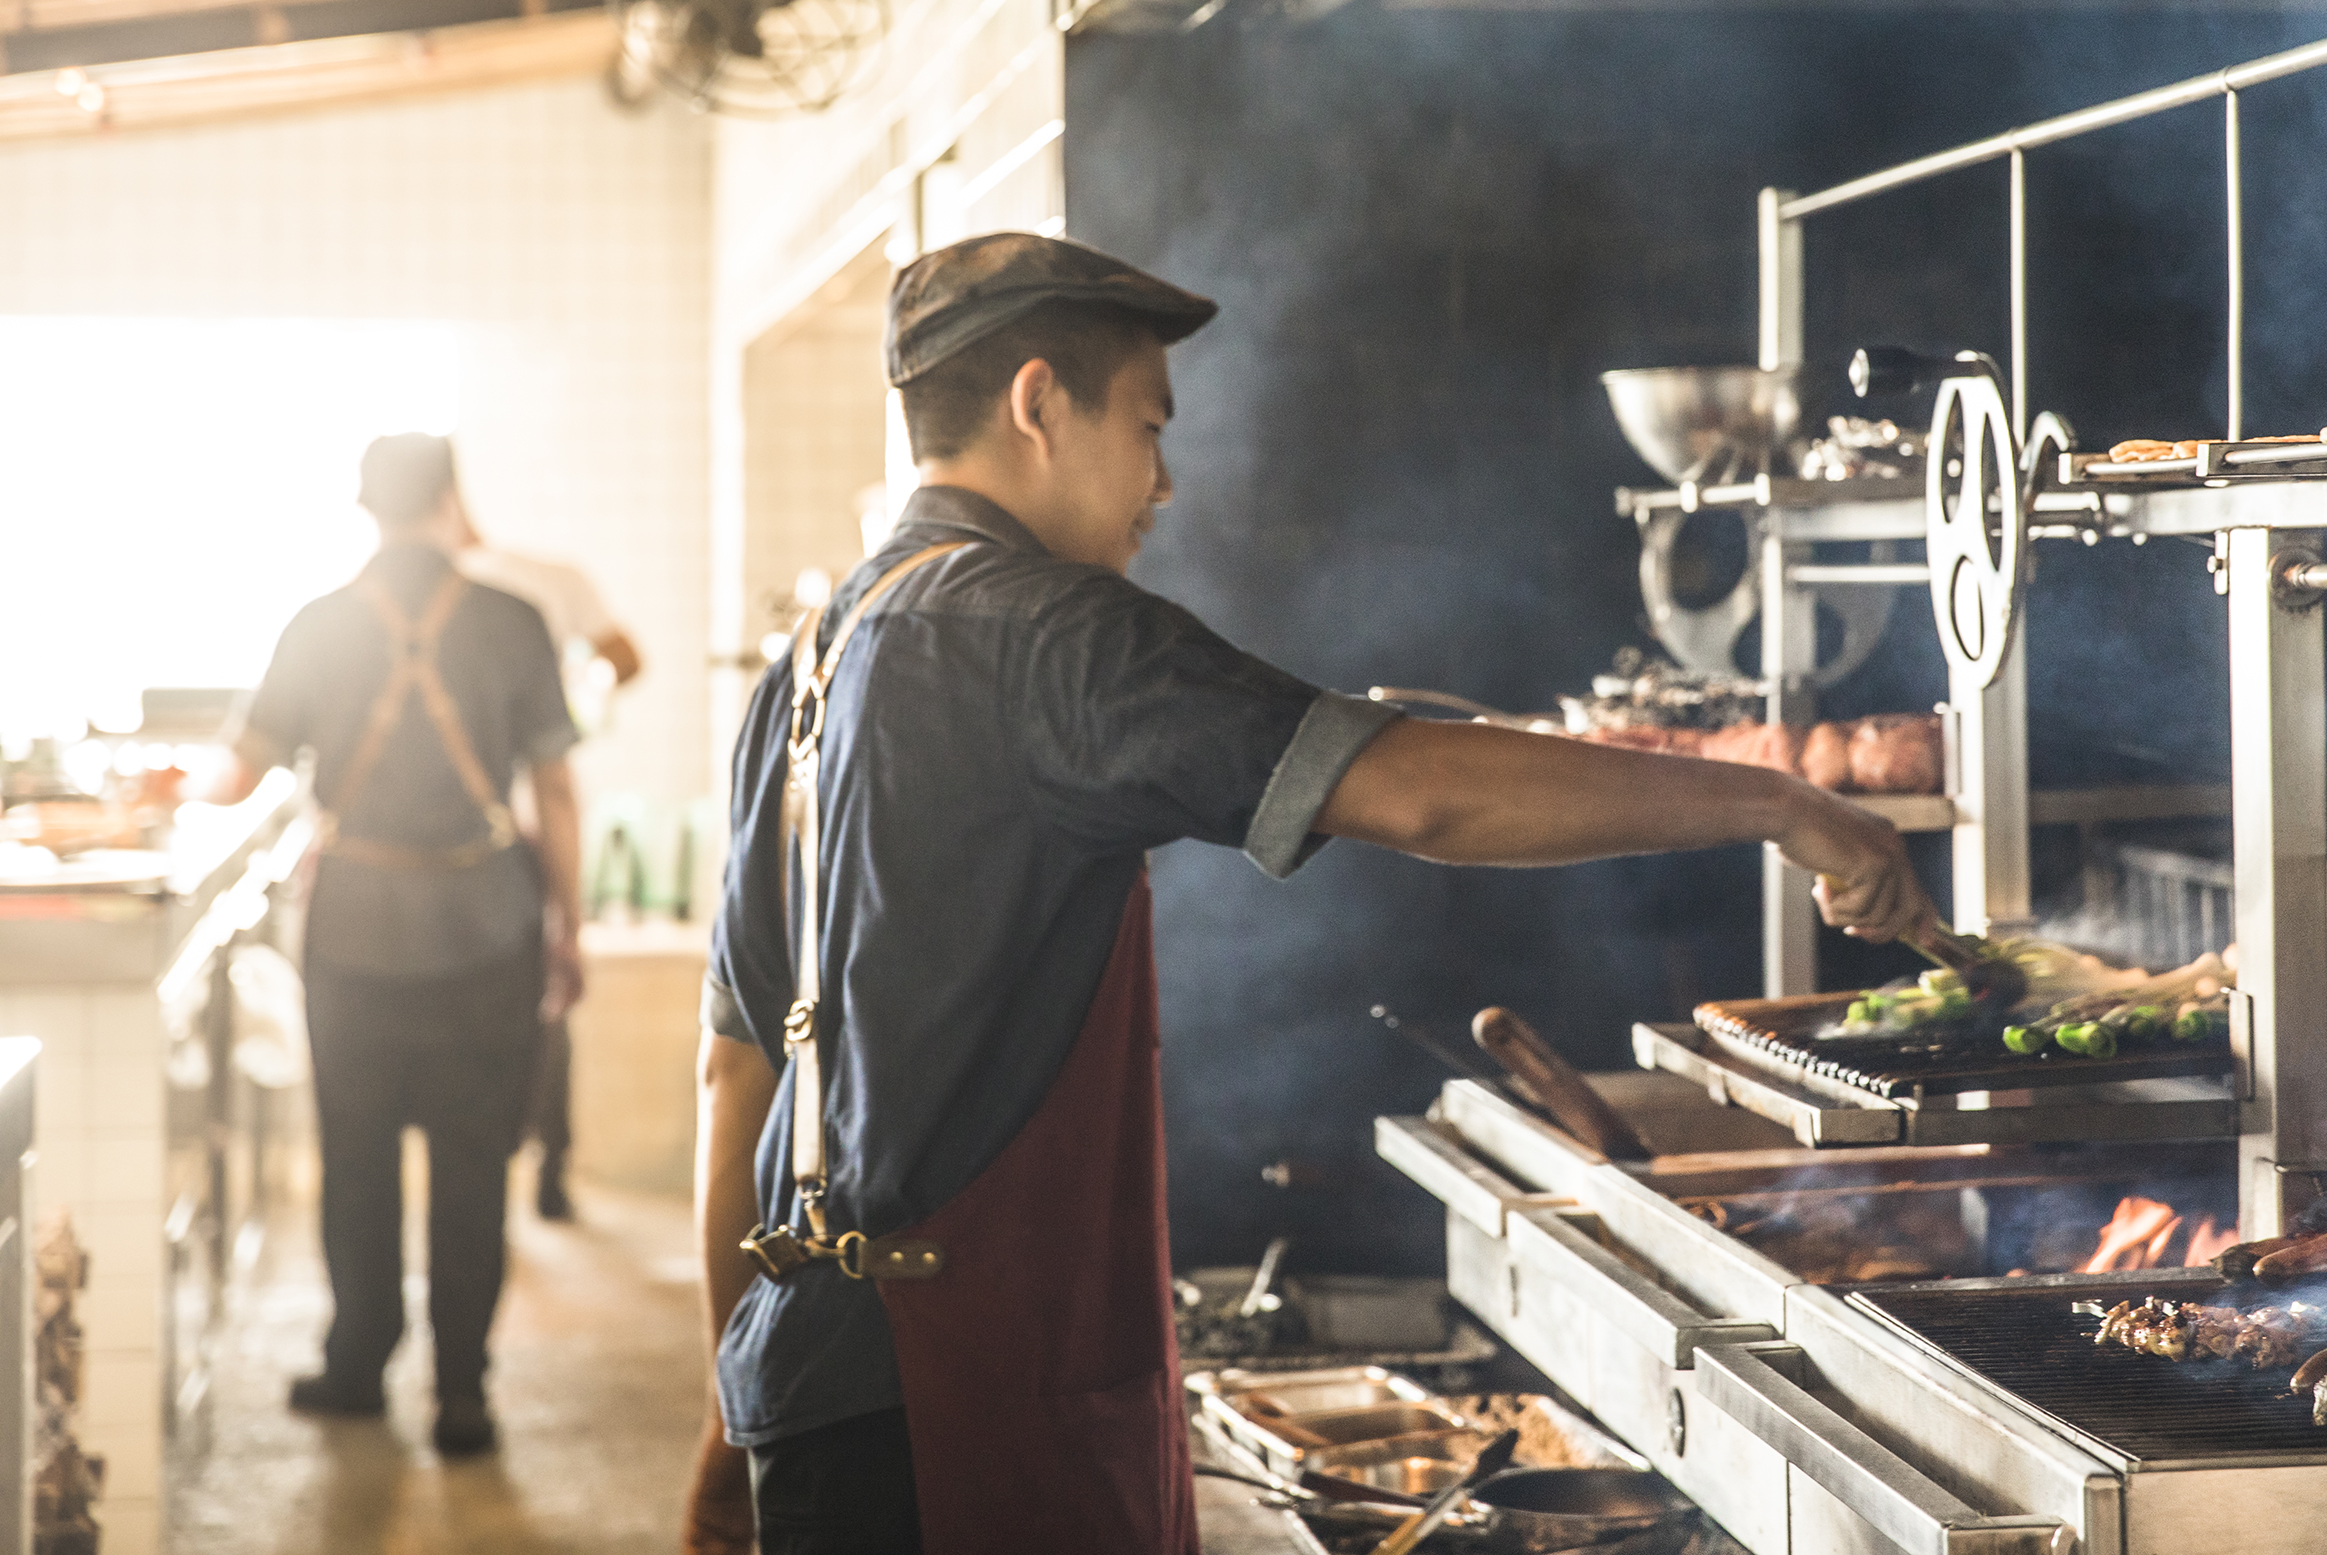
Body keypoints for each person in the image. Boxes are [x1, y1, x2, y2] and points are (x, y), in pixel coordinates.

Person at [680, 235, 1930, 1555]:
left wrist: (732, 1407)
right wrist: (1783, 804)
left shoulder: (810, 664)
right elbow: (1424, 793)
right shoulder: (1050, 633)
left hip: (813, 1387)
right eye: (1149, 427)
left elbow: (739, 1072)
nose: (1162, 484)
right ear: (1040, 402)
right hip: (967, 1416)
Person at [201, 434, 586, 1458]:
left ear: (365, 506)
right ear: (451, 498)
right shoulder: (513, 619)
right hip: (488, 925)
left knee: (357, 1160)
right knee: (473, 1168)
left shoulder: (318, 622)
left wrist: (170, 788)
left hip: (357, 928)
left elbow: (234, 776)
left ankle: (357, 1366)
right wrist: (570, 925)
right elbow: (553, 786)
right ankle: (464, 1395)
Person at [457, 510, 644, 1223]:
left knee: (510, 1001)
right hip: (531, 819)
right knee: (546, 995)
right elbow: (626, 657)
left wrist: (574, 700)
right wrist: (576, 701)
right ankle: (548, 1164)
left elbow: (623, 657)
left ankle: (521, 1163)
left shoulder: (529, 581)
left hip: (486, 833)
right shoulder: (546, 581)